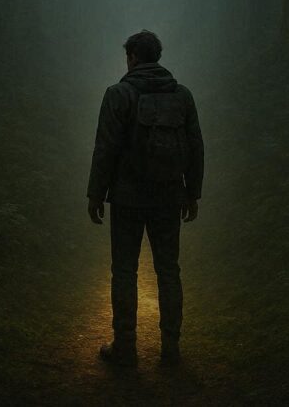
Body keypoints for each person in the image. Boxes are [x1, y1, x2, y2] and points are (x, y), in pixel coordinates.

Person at [86, 30, 204, 367]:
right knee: (169, 271)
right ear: (158, 57)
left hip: (127, 199)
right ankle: (171, 349)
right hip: (169, 196)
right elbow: (196, 148)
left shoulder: (118, 94)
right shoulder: (182, 96)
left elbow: (105, 148)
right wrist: (192, 193)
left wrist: (96, 194)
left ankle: (125, 348)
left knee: (124, 270)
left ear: (133, 57)